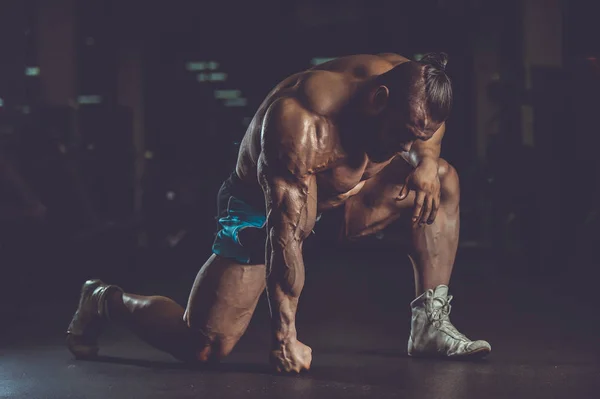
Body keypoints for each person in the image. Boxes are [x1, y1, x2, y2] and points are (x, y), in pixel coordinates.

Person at [66, 52, 491, 373]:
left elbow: (427, 128)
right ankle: (103, 300)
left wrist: (428, 163)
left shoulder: (408, 84)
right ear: (378, 100)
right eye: (403, 134)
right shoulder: (301, 122)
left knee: (445, 180)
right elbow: (284, 237)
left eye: (418, 136)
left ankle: (430, 325)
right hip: (268, 212)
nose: (407, 145)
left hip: (346, 200)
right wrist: (284, 338)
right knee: (204, 347)